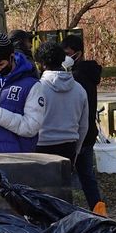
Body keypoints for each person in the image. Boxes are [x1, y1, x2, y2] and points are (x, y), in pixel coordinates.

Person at [33, 41, 90, 190]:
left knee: (41, 193)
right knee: (63, 193)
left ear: (42, 64)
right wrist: (76, 151)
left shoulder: (37, 88)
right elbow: (84, 126)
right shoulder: (80, 89)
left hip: (41, 145)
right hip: (69, 146)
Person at [63, 32, 105, 214]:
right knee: (87, 178)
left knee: (67, 178)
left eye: (68, 52)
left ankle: (68, 213)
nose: (65, 56)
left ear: (77, 53)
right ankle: (99, 210)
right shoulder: (87, 73)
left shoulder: (78, 77)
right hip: (88, 133)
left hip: (80, 133)